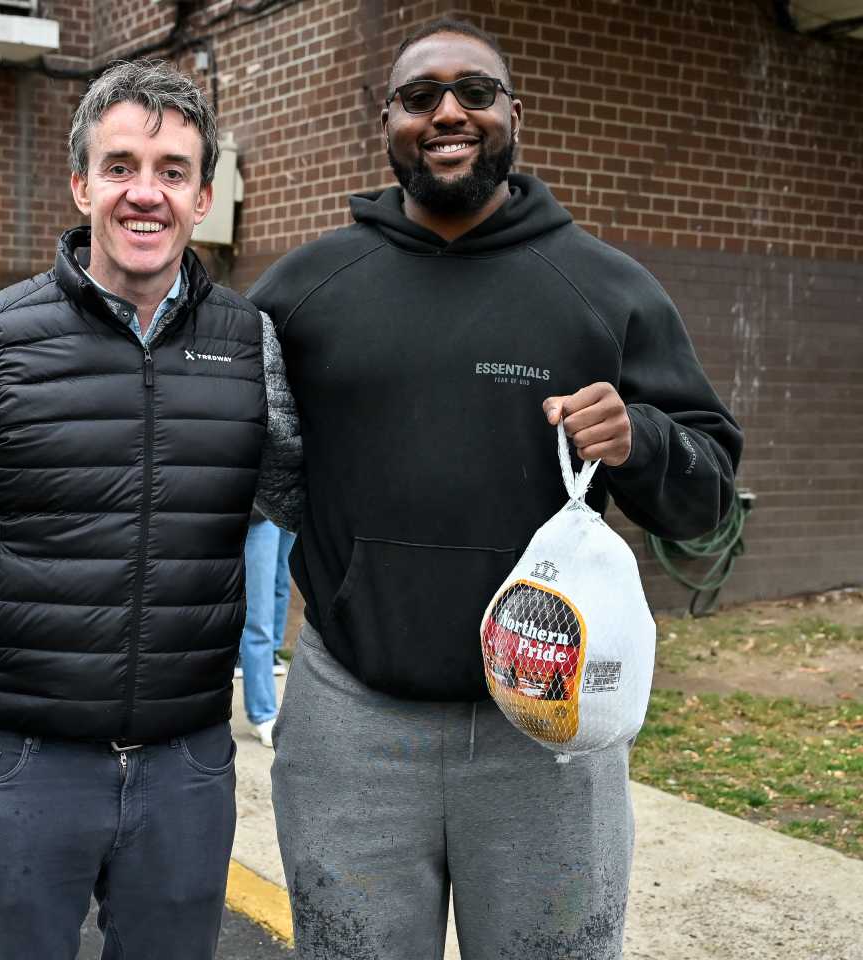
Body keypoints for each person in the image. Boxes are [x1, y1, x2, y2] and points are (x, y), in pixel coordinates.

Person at [247, 19, 743, 960]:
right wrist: (10, 367)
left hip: (546, 737)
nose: (448, 112)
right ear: (384, 119)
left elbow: (710, 495)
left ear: (515, 113)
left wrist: (642, 440)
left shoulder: (606, 290)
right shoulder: (305, 291)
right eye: (419, 95)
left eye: (475, 92)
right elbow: (191, 415)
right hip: (353, 723)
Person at [0, 60, 300, 960]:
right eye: (119, 167)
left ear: (202, 198)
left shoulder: (249, 343)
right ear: (81, 185)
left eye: (171, 171)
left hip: (185, 769)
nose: (143, 194)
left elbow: (302, 497)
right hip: (21, 767)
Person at [237, 509, 297, 747]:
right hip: (253, 509)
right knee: (258, 615)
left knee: (279, 587)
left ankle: (263, 708)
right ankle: (262, 711)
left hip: (278, 505)